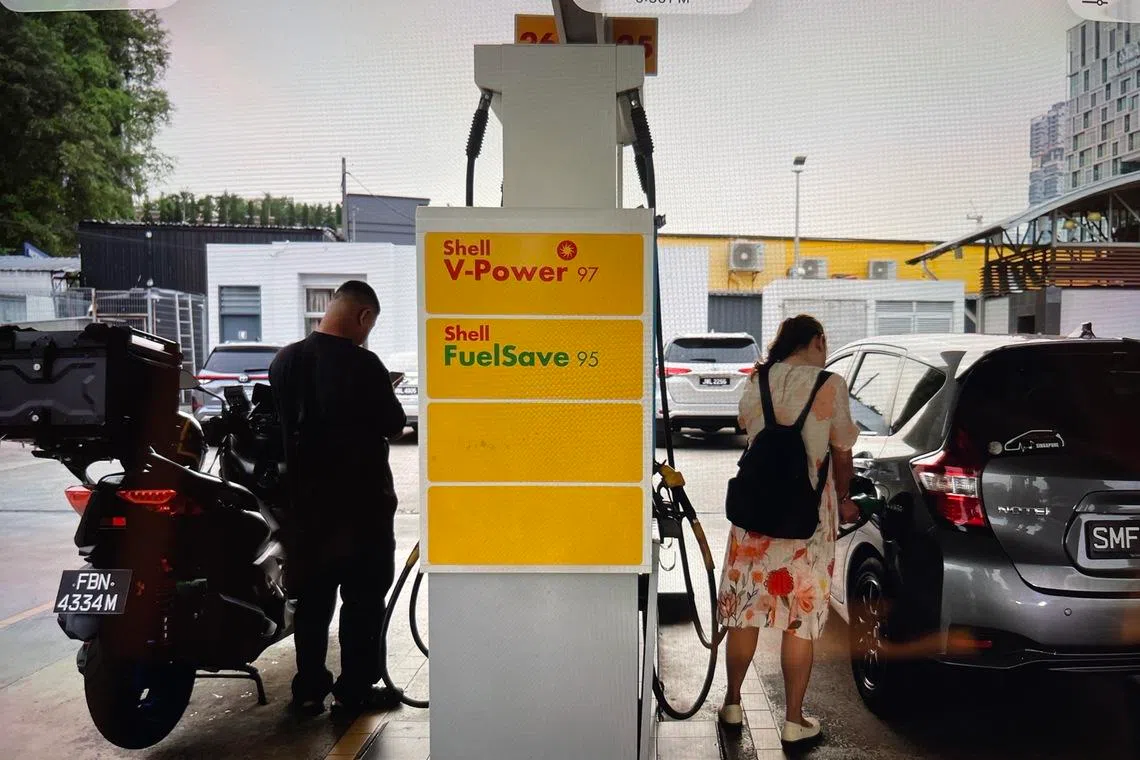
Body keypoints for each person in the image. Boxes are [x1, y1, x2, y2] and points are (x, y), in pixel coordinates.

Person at [715, 315, 860, 745]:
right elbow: (842, 450)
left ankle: (732, 702)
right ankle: (794, 721)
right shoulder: (830, 384)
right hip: (808, 519)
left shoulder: (758, 379)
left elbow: (748, 429)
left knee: (744, 613)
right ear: (817, 340)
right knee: (798, 621)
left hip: (755, 515)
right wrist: (847, 497)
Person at [269, 280, 408, 715]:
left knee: (311, 606)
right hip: (361, 512)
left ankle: (309, 690)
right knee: (362, 604)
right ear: (363, 317)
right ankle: (354, 692)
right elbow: (393, 423)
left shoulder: (284, 361)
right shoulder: (364, 366)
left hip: (305, 513)